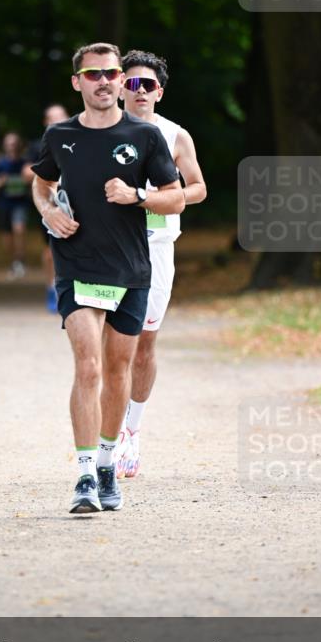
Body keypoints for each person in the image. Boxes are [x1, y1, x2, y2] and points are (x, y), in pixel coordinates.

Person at [31, 43, 184, 514]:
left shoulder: (147, 136)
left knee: (118, 372)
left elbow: (175, 197)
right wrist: (48, 212)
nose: (103, 81)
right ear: (77, 82)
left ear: (121, 81)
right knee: (89, 367)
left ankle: (104, 464)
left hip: (132, 269)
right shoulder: (59, 136)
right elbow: (42, 183)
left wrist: (136, 195)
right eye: (92, 74)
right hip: (77, 265)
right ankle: (82, 477)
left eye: (111, 74)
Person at [116, 49, 207, 478]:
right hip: (111, 248)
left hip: (157, 246)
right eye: (130, 83)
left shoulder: (176, 136)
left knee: (144, 343)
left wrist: (159, 199)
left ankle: (132, 431)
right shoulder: (101, 132)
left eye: (146, 84)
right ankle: (107, 435)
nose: (138, 91)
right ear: (118, 88)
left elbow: (199, 188)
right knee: (108, 344)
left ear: (160, 92)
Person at [23, 104, 69, 311]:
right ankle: (51, 288)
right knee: (50, 250)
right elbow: (25, 172)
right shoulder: (37, 145)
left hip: (78, 202)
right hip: (50, 203)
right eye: (51, 118)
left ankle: (72, 289)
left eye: (59, 117)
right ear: (45, 122)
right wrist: (48, 178)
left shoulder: (80, 138)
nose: (55, 121)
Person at [0, 132, 30, 278]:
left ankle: (20, 261)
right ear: (4, 145)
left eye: (14, 143)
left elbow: (34, 181)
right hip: (4, 204)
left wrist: (26, 180)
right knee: (7, 238)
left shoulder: (25, 163)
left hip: (20, 203)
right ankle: (14, 261)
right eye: (9, 143)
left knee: (19, 229)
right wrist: (1, 181)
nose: (11, 146)